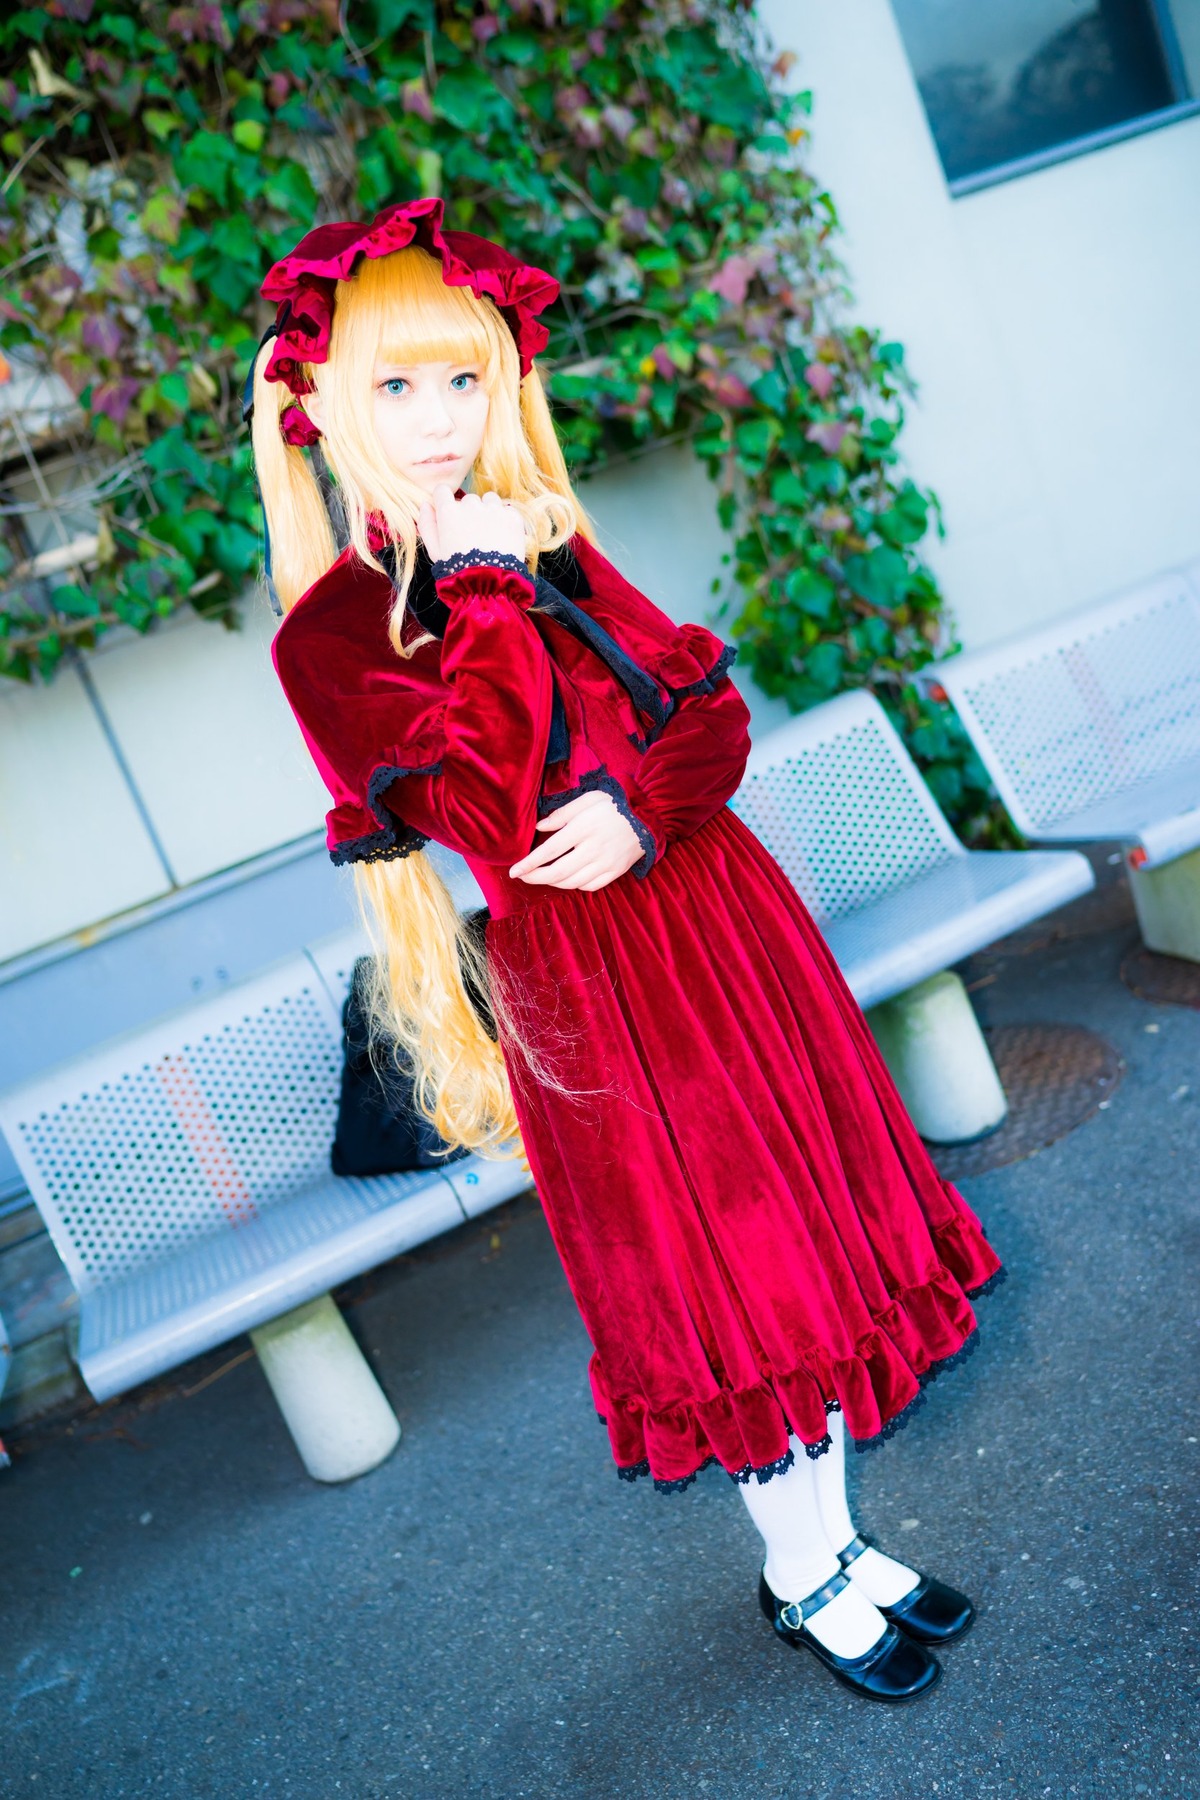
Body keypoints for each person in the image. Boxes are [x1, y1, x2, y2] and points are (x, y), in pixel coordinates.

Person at [246, 196, 1005, 1704]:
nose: (442, 418)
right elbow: (484, 798)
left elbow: (708, 715)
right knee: (734, 1284)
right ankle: (801, 1575)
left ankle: (840, 1549)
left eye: (465, 376)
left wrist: (650, 809)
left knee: (817, 1246)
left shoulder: (556, 549)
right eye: (397, 385)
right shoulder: (332, 638)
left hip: (726, 932)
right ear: (325, 407)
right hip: (604, 999)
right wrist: (474, 590)